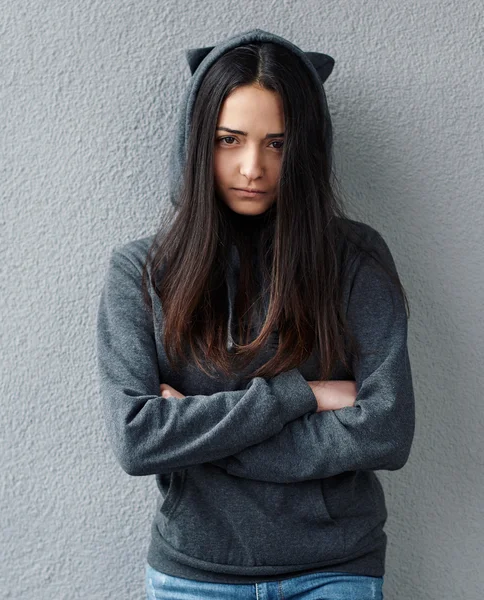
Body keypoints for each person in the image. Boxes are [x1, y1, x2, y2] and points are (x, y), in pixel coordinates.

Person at [95, 28, 415, 600]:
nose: (252, 167)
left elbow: (387, 431)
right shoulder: (140, 271)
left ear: (306, 149)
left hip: (334, 569)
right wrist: (303, 396)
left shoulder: (355, 258)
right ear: (197, 142)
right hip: (194, 575)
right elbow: (138, 440)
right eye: (228, 140)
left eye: (277, 143)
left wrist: (198, 432)